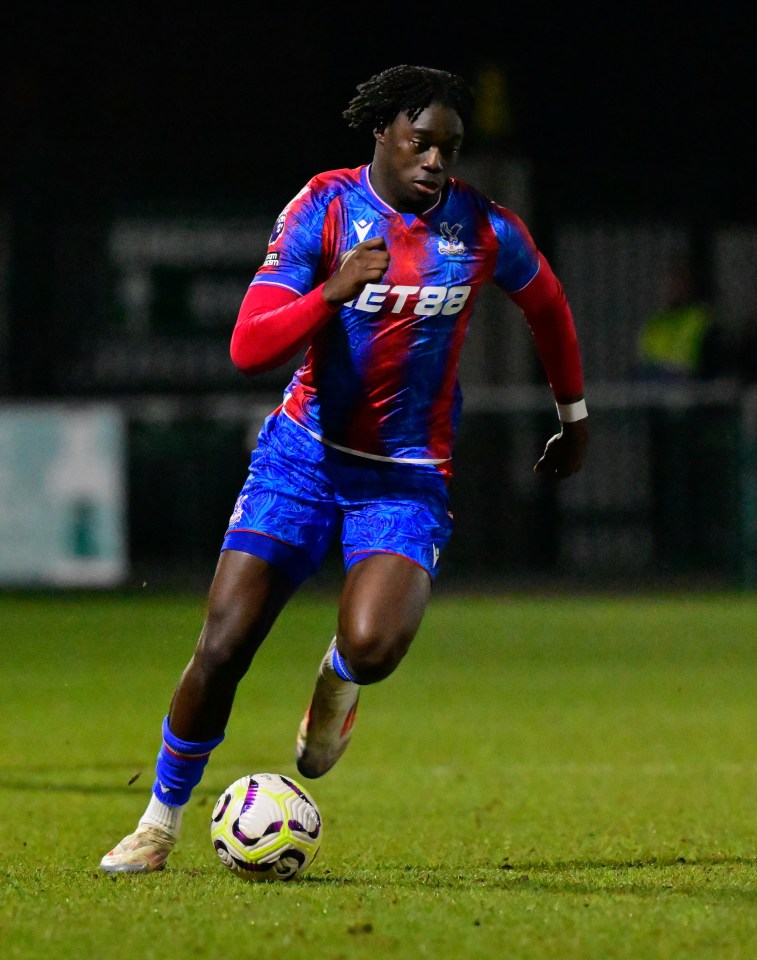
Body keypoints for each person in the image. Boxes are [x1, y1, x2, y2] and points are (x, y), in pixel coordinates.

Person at [100, 64, 589, 874]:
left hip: (402, 475)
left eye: (450, 148)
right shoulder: (324, 207)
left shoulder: (481, 228)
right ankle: (157, 823)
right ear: (382, 135)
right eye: (420, 142)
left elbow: (549, 306)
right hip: (300, 459)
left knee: (372, 647)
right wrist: (331, 291)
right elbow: (248, 346)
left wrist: (573, 418)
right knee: (222, 643)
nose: (436, 161)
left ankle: (336, 684)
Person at [636, 257, 720, 381]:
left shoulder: (699, 317)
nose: (674, 288)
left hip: (684, 379)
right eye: (671, 283)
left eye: (680, 283)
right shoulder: (657, 321)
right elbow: (645, 353)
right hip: (653, 378)